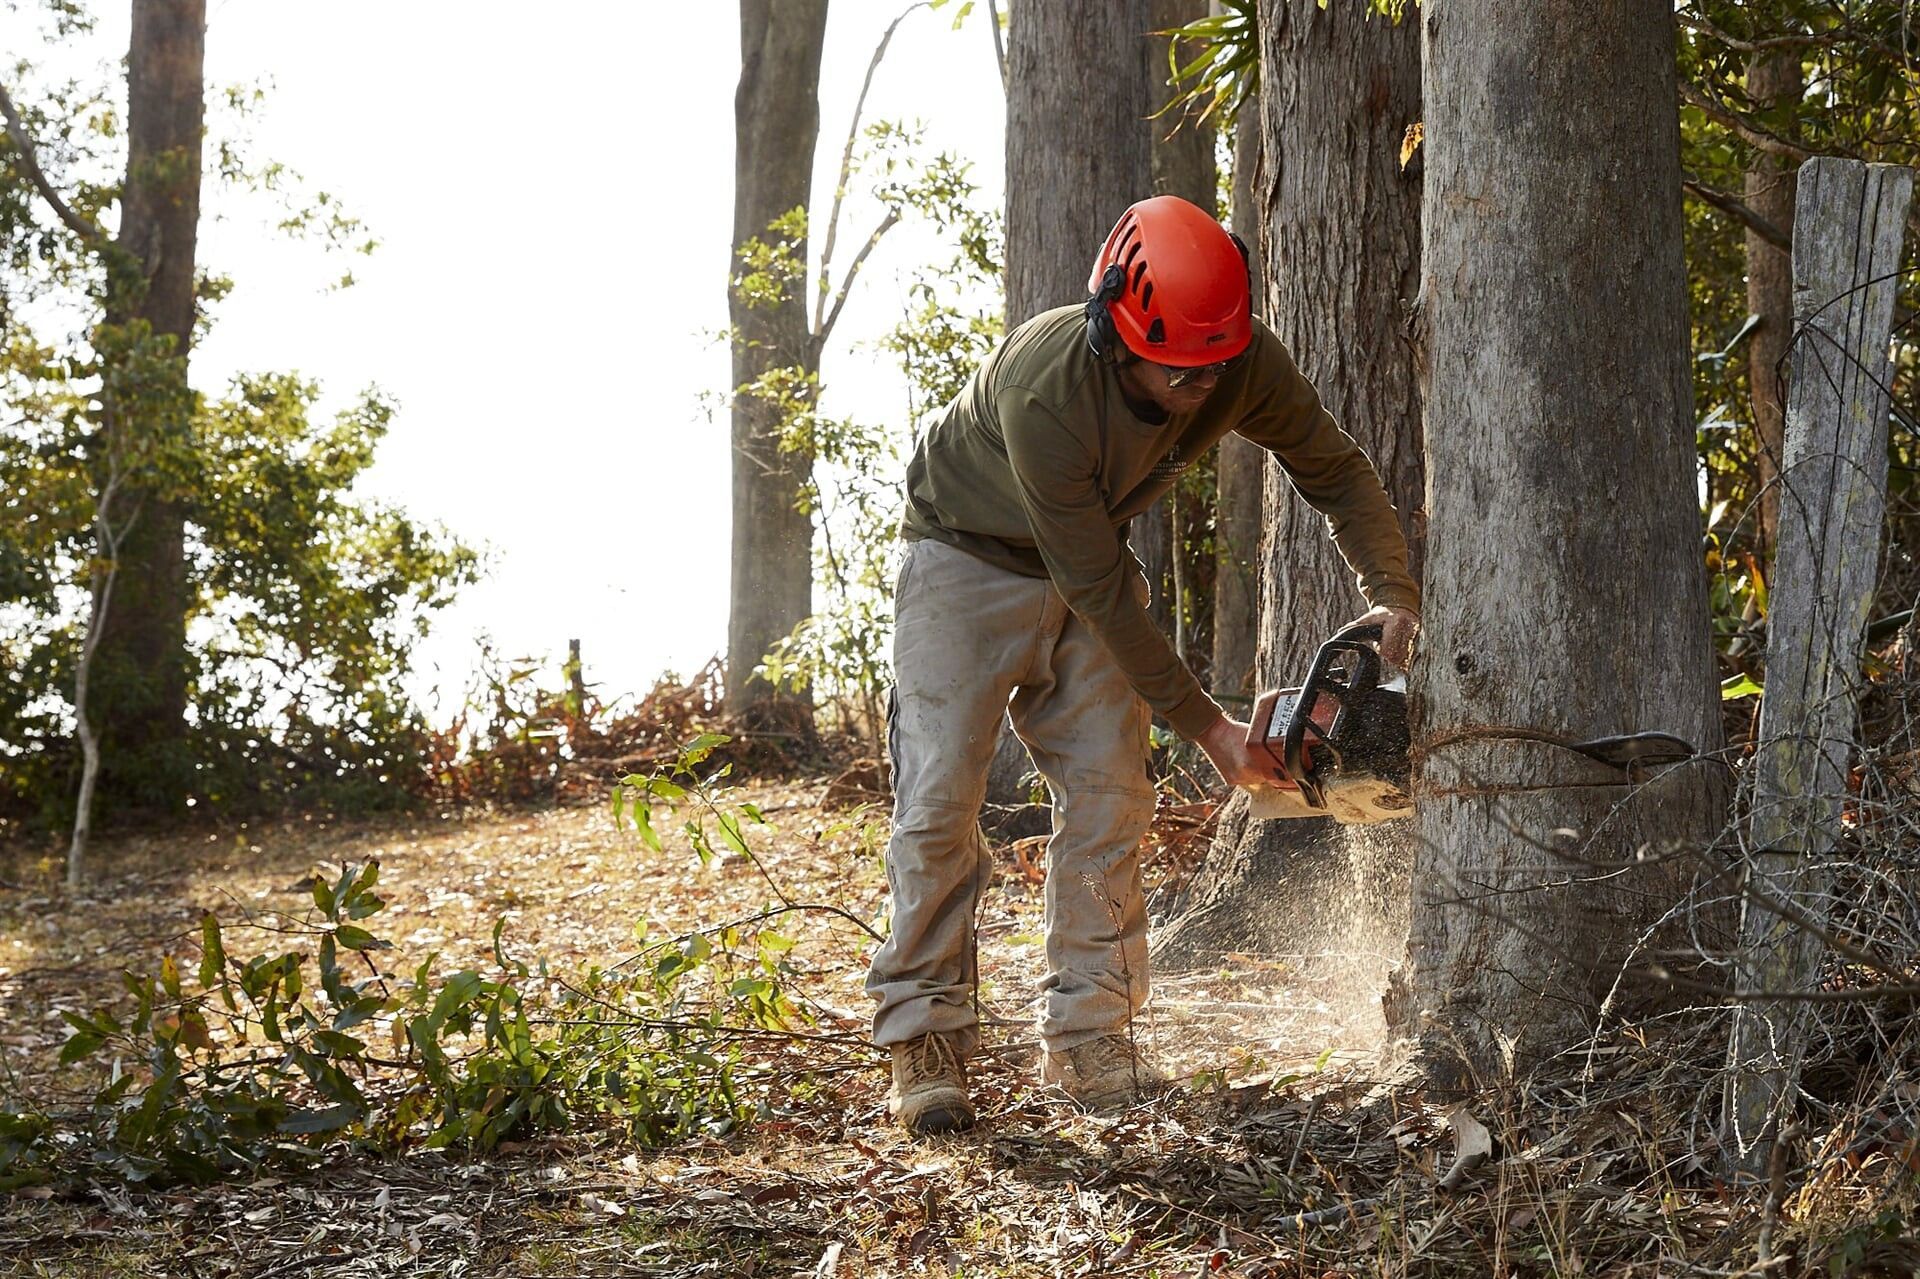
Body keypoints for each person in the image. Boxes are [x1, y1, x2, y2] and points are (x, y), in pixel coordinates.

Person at [865, 195, 1420, 1135]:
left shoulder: (1234, 356)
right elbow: (1099, 590)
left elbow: (1332, 465)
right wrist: (1212, 730)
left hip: (1090, 562)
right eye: (1178, 372)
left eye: (1215, 367)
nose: (1201, 389)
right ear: (1114, 333)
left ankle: (1089, 1035)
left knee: (1112, 795)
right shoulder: (1048, 392)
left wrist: (1393, 593)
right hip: (967, 560)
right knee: (939, 803)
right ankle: (925, 1037)